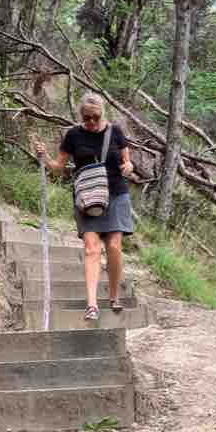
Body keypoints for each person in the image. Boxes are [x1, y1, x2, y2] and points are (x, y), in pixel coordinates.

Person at [33, 93, 134, 321]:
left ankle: (114, 295)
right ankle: (92, 305)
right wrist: (44, 157)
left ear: (102, 114)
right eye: (86, 117)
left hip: (116, 194)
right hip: (87, 198)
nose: (90, 122)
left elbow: (127, 161)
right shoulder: (73, 135)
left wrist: (128, 166)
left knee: (114, 246)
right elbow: (58, 167)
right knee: (91, 247)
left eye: (94, 117)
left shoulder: (115, 131)